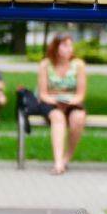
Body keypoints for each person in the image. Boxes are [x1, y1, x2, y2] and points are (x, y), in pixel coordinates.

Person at [20, 32, 87, 174]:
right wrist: (56, 102)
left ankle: (66, 159)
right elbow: (43, 94)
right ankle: (57, 163)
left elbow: (80, 94)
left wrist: (69, 102)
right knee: (57, 117)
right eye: (65, 46)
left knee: (78, 118)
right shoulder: (45, 64)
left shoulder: (78, 65)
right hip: (49, 101)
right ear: (56, 47)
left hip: (71, 101)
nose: (69, 49)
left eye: (70, 46)